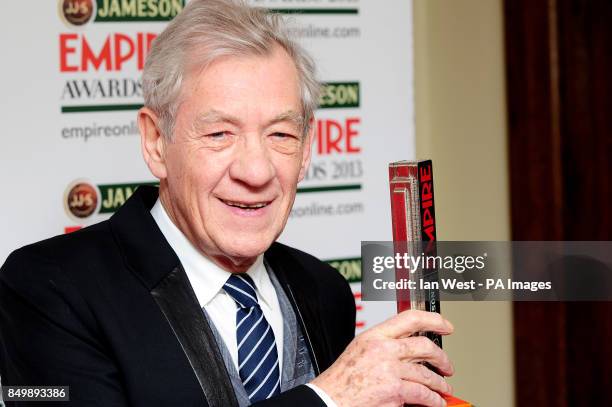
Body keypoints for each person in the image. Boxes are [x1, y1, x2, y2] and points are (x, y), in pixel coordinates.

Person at [0, 1, 455, 406]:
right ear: (156, 142)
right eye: (219, 134)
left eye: (280, 135)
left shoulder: (325, 290)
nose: (255, 172)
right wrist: (328, 398)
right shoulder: (49, 290)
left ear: (308, 148)